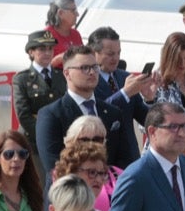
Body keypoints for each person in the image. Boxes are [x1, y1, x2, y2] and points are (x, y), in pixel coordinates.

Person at [35, 45, 140, 177]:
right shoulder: (51, 114)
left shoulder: (113, 112)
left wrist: (106, 183)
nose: (92, 72)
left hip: (110, 186)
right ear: (67, 73)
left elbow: (125, 159)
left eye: (95, 67)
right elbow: (53, 165)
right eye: (84, 68)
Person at [87, 25, 156, 126]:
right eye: (110, 54)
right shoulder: (87, 80)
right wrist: (125, 93)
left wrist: (149, 99)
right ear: (93, 53)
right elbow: (96, 115)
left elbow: (146, 120)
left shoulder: (125, 77)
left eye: (118, 53)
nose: (116, 58)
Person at [13, 30, 65, 140]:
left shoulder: (62, 76)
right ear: (31, 52)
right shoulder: (22, 79)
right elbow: (23, 114)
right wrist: (45, 134)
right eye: (42, 49)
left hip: (59, 136)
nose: (47, 53)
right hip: (33, 138)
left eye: (50, 49)